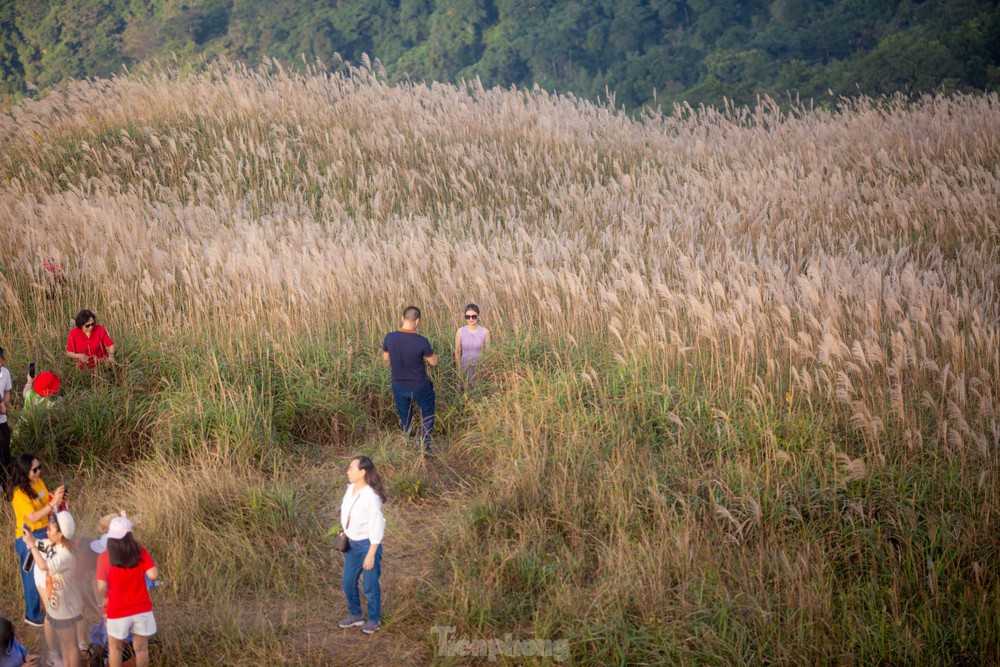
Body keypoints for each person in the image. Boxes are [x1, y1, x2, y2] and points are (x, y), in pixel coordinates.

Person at [8, 453, 65, 627]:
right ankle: (32, 615)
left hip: (45, 532)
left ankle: (51, 606)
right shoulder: (19, 494)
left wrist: (57, 500)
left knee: (48, 572)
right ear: (25, 471)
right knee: (32, 577)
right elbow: (32, 517)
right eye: (34, 469)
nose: (38, 471)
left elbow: (46, 500)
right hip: (29, 537)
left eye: (39, 467)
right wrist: (52, 503)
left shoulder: (38, 482)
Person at [94, 517, 158, 667]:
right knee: (141, 649)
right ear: (130, 536)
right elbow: (153, 575)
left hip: (117, 610)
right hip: (141, 608)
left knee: (115, 649)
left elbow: (101, 588)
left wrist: (105, 598)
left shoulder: (104, 557)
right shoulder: (140, 551)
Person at [22, 511, 82, 667]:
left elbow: (42, 565)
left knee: (72, 647)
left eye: (51, 528)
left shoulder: (65, 555)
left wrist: (32, 547)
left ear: (61, 533)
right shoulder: (55, 545)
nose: (47, 530)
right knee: (65, 643)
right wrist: (30, 538)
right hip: (59, 604)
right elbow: (39, 543)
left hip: (66, 606)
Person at [337, 456, 387, 635]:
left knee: (370, 585)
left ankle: (374, 620)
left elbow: (378, 524)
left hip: (368, 546)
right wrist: (346, 530)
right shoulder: (350, 489)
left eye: (351, 468)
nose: (348, 471)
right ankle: (356, 615)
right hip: (352, 544)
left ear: (362, 472)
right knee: (348, 582)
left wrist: (371, 553)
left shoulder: (371, 497)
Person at [382, 306, 438, 453]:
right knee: (427, 413)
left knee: (405, 416)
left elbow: (386, 358)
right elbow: (433, 362)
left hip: (399, 385)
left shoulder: (390, 337)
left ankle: (409, 443)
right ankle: (424, 445)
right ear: (417, 321)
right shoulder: (422, 341)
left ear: (402, 318)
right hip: (420, 386)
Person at [453, 303, 490, 381]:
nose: (471, 319)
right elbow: (457, 352)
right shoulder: (460, 331)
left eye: (474, 316)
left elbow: (487, 352)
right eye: (467, 317)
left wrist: (484, 369)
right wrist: (459, 370)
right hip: (464, 368)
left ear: (478, 316)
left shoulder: (485, 332)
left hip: (479, 369)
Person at [0, 347, 11, 488]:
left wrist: (5, 404)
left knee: (6, 449)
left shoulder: (5, 372)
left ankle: (6, 482)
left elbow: (7, 391)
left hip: (2, 420)